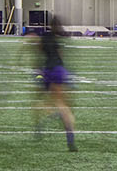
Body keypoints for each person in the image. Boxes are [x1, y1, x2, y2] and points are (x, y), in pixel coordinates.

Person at [34, 20, 77, 151]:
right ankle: (70, 137)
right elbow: (60, 57)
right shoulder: (58, 40)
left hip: (46, 71)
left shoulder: (44, 37)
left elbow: (39, 52)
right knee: (63, 104)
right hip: (58, 71)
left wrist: (38, 70)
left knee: (42, 101)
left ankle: (40, 123)